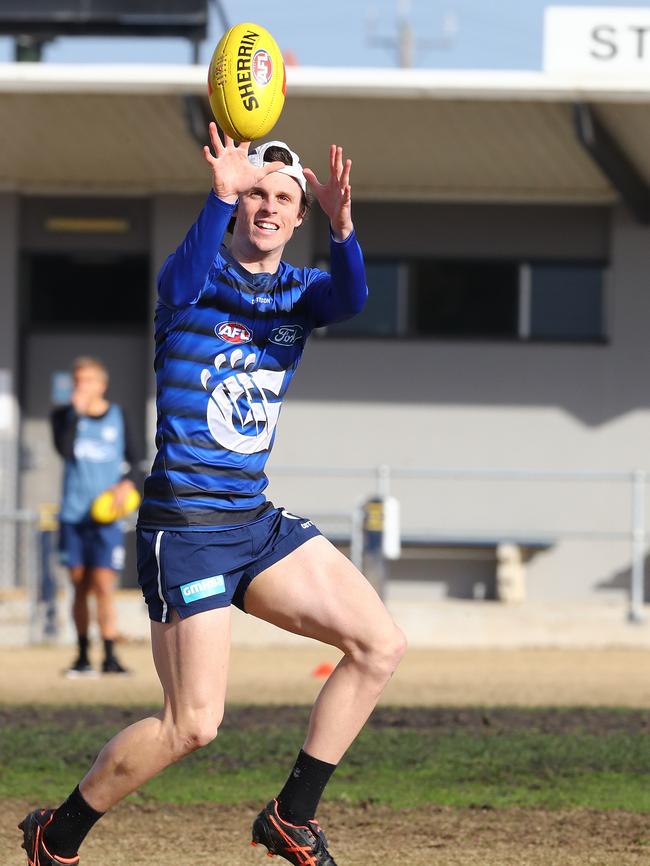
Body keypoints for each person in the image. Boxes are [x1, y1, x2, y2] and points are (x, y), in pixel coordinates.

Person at [20, 125, 406, 866]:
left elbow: (351, 296)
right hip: (187, 527)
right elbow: (174, 282)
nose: (267, 205)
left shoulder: (301, 292)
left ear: (299, 218)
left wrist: (346, 230)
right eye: (256, 193)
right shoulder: (195, 278)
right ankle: (56, 833)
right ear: (237, 208)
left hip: (253, 522)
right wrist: (218, 191)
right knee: (193, 725)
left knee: (379, 645)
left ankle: (293, 816)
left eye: (283, 198)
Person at [50, 356, 138, 677]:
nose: (81, 387)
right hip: (74, 514)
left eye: (87, 381)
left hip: (106, 517)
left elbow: (135, 459)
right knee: (78, 585)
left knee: (103, 584)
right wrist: (75, 413)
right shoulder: (63, 416)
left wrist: (126, 485)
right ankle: (83, 656)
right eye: (76, 381)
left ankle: (111, 656)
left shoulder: (118, 416)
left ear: (101, 384)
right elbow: (64, 450)